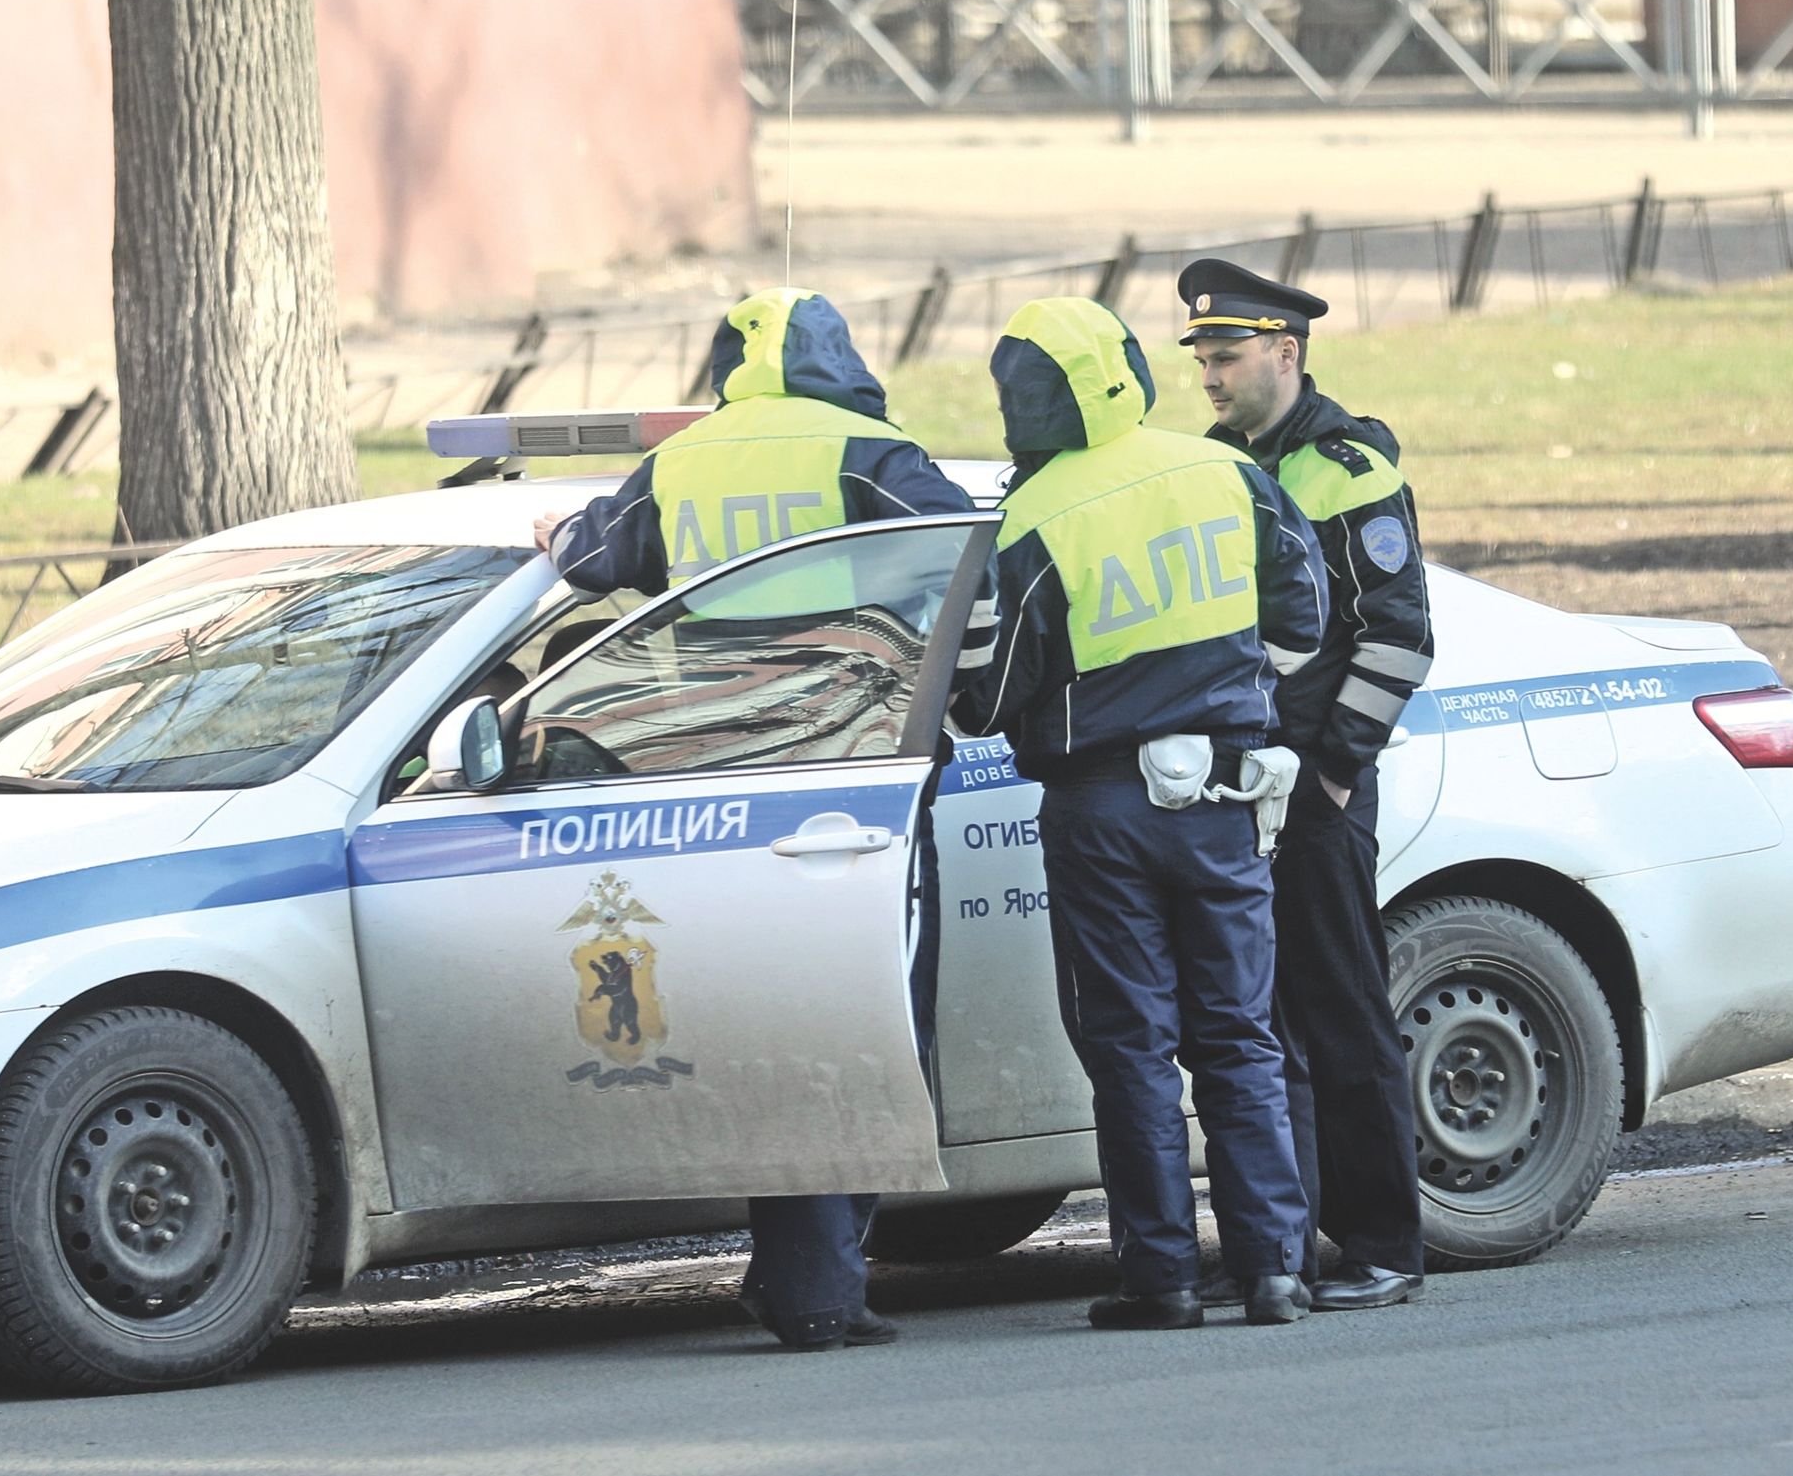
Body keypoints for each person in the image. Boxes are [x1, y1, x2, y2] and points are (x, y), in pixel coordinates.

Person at [534, 285, 988, 1353]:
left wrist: (557, 532)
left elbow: (592, 563)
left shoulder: (681, 462)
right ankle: (816, 1285)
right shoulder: (871, 454)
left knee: (770, 1032)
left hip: (712, 801)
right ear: (839, 357)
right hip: (855, 792)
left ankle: (798, 1273)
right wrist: (971, 704)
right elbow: (973, 571)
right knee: (869, 1027)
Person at [952, 295, 1327, 1329]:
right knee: (1239, 1040)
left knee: (1129, 1046)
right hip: (1221, 796)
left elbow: (983, 699)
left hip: (1101, 808)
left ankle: (1160, 1277)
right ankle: (1274, 1269)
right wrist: (1234, 701)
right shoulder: (1225, 472)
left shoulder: (1031, 515)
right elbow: (1304, 619)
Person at [1182, 257, 1435, 1312]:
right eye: (1200, 355)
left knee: (1340, 1017)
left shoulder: (1346, 468)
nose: (1208, 373)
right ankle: (1290, 1239)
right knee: (1257, 1026)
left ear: (1284, 352)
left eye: (1225, 355)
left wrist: (1333, 774)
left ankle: (1381, 1241)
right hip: (1236, 791)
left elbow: (1400, 638)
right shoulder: (1207, 463)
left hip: (1317, 795)